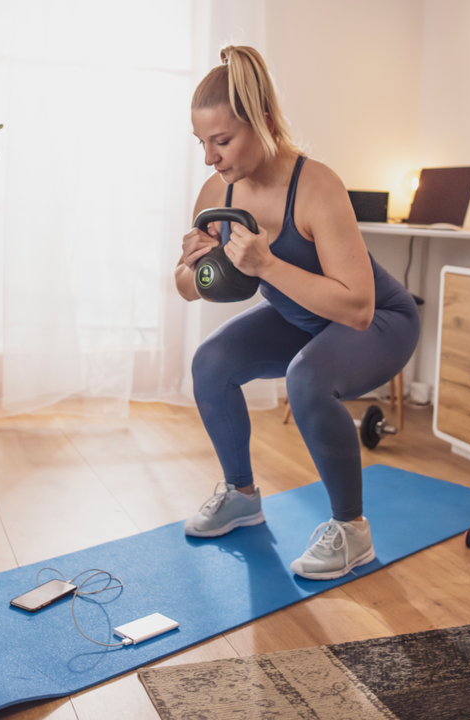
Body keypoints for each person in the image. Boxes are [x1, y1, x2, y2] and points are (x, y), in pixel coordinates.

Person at [176, 46, 420, 580]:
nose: (211, 157)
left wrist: (264, 263)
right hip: (300, 317)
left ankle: (352, 532)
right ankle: (241, 496)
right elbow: (187, 286)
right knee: (211, 362)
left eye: (222, 141)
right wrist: (195, 269)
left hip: (382, 322)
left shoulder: (316, 186)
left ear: (261, 124)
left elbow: (357, 307)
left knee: (306, 377)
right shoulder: (217, 190)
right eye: (203, 143)